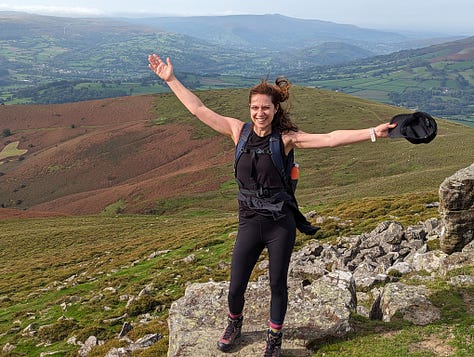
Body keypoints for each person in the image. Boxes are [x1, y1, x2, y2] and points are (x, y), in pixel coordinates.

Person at [148, 53, 396, 356]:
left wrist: (373, 133)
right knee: (236, 283)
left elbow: (331, 138)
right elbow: (198, 109)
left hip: (280, 224)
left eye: (265, 107)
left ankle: (274, 337)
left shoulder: (286, 139)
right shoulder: (238, 132)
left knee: (278, 284)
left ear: (275, 109)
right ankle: (234, 324)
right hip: (249, 221)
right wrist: (171, 79)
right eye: (254, 107)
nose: (259, 112)